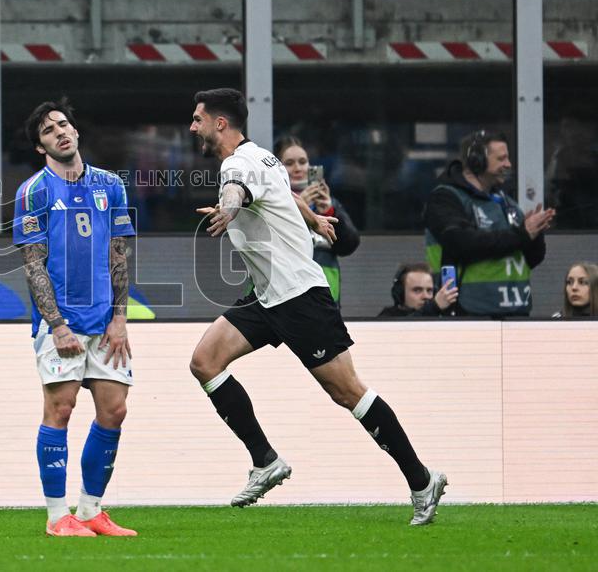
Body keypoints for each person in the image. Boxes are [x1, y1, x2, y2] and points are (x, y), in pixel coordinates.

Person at [187, 88, 447, 526]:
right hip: (266, 296)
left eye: (197, 119)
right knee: (204, 361)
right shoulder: (263, 157)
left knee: (348, 392)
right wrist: (314, 219)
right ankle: (265, 460)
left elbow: (236, 192)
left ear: (219, 123)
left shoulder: (236, 165)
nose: (191, 126)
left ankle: (422, 481)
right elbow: (284, 194)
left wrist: (228, 211)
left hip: (300, 298)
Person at [13, 98, 138, 538]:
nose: (60, 132)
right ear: (40, 146)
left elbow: (118, 253)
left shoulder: (111, 185)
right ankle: (55, 517)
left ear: (77, 131)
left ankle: (89, 511)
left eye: (64, 124)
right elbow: (33, 263)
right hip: (60, 324)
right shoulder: (33, 191)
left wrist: (119, 318)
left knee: (114, 410)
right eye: (49, 130)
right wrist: (58, 324)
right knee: (60, 409)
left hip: (106, 323)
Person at [424, 130, 555, 317]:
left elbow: (531, 259)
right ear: (477, 160)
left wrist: (535, 234)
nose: (508, 164)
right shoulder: (445, 198)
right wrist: (522, 234)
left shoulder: (506, 202)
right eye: (501, 159)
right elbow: (460, 242)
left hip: (517, 315)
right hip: (468, 316)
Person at [275, 136, 360, 304]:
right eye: (289, 163)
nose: (298, 168)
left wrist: (329, 211)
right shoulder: (271, 202)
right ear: (278, 169)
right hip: (282, 298)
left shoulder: (330, 203)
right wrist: (299, 209)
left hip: (325, 299)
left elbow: (349, 245)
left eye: (303, 162)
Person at [378, 262, 458, 317]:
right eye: (417, 290)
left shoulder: (439, 314)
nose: (426, 296)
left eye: (429, 291)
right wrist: (434, 307)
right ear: (400, 293)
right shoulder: (387, 318)